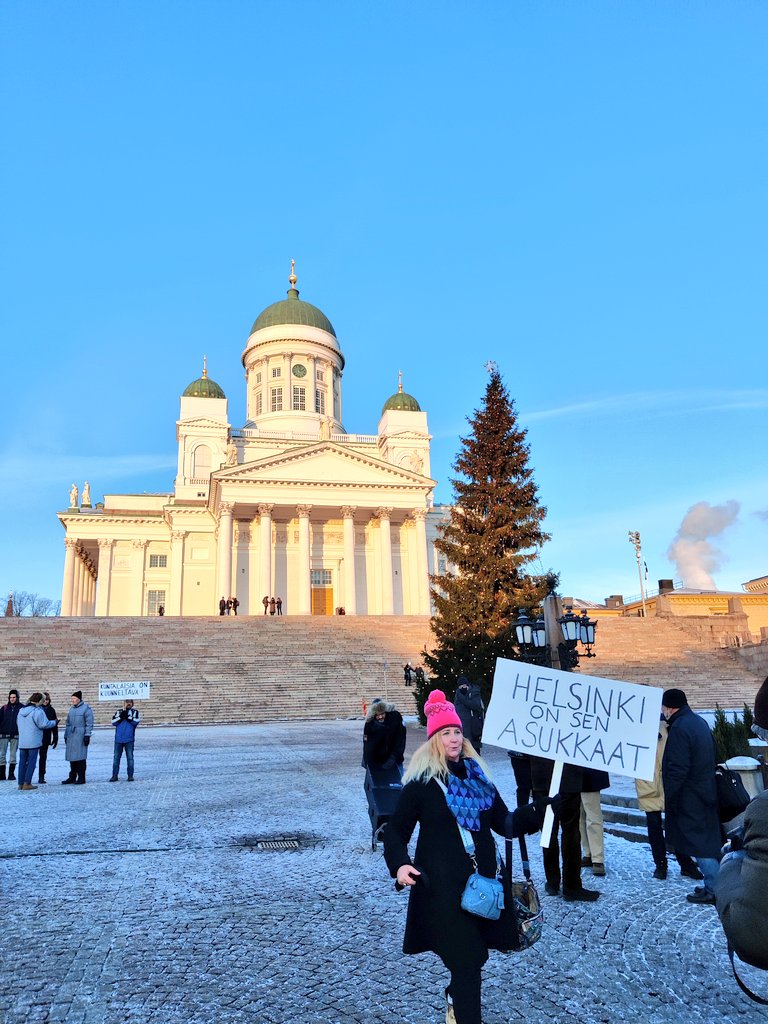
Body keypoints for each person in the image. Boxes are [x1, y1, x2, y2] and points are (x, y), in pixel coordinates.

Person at [383, 689, 527, 1024]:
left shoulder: (478, 778)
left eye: (458, 731)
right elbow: (396, 830)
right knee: (466, 962)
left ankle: (454, 996)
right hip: (443, 891)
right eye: (446, 732)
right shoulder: (422, 783)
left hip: (481, 887)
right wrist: (401, 864)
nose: (454, 738)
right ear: (434, 739)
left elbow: (505, 822)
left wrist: (543, 810)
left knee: (474, 959)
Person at [661, 687, 722, 904]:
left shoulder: (679, 728)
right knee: (708, 841)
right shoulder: (698, 722)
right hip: (705, 791)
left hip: (690, 796)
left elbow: (677, 769)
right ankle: (713, 884)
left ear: (669, 708)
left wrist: (671, 797)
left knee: (700, 845)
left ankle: (715, 888)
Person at [530, 756, 600, 901]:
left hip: (543, 774)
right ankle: (570, 885)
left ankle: (553, 882)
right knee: (569, 830)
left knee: (551, 829)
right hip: (566, 775)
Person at [16, 693, 58, 791]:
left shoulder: (21, 711)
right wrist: (54, 722)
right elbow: (44, 724)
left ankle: (20, 784)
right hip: (33, 741)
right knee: (31, 762)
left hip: (23, 741)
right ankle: (27, 783)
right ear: (39, 701)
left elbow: (17, 723)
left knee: (22, 762)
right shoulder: (37, 711)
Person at [580, 768, 610, 876]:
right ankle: (588, 853)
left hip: (589, 774)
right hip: (572, 774)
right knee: (579, 818)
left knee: (593, 816)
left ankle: (597, 858)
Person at [362, 699, 406, 772]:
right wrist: (368, 762)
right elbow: (367, 746)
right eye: (377, 715)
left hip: (395, 760)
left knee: (399, 781)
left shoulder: (395, 719)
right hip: (378, 761)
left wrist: (393, 758)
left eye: (382, 714)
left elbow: (400, 740)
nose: (380, 717)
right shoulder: (369, 724)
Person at [62, 690, 94, 785]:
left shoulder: (86, 709)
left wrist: (87, 735)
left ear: (79, 699)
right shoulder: (71, 709)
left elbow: (89, 723)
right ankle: (72, 777)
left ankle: (81, 777)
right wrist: (66, 735)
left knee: (80, 758)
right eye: (72, 699)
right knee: (72, 758)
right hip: (71, 735)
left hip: (80, 735)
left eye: (74, 699)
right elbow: (68, 723)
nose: (72, 700)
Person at [110, 699, 140, 781]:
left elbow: (136, 721)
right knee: (116, 758)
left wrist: (128, 717)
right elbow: (113, 722)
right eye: (127, 702)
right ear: (124, 703)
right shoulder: (118, 712)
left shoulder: (135, 712)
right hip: (118, 739)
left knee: (130, 758)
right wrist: (120, 717)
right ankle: (114, 775)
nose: (128, 704)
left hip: (129, 739)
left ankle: (130, 775)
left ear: (132, 703)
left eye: (130, 702)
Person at [453, 677, 485, 752]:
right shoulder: (457, 695)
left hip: (474, 727)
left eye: (464, 685)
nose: (462, 688)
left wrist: (463, 699)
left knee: (475, 751)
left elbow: (476, 706)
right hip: (462, 728)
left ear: (468, 685)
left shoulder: (474, 693)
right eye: (460, 686)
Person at [37, 692, 59, 784]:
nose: (45, 701)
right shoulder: (37, 709)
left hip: (45, 737)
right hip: (36, 736)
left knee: (43, 757)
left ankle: (41, 776)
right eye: (44, 700)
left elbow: (54, 724)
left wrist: (55, 736)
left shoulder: (51, 710)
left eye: (47, 700)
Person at [0, 688, 21, 782]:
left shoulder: (21, 708)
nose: (12, 699)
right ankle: (2, 774)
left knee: (13, 755)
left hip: (15, 735)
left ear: (17, 698)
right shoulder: (4, 708)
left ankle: (11, 774)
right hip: (3, 734)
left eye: (14, 697)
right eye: (10, 697)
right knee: (1, 755)